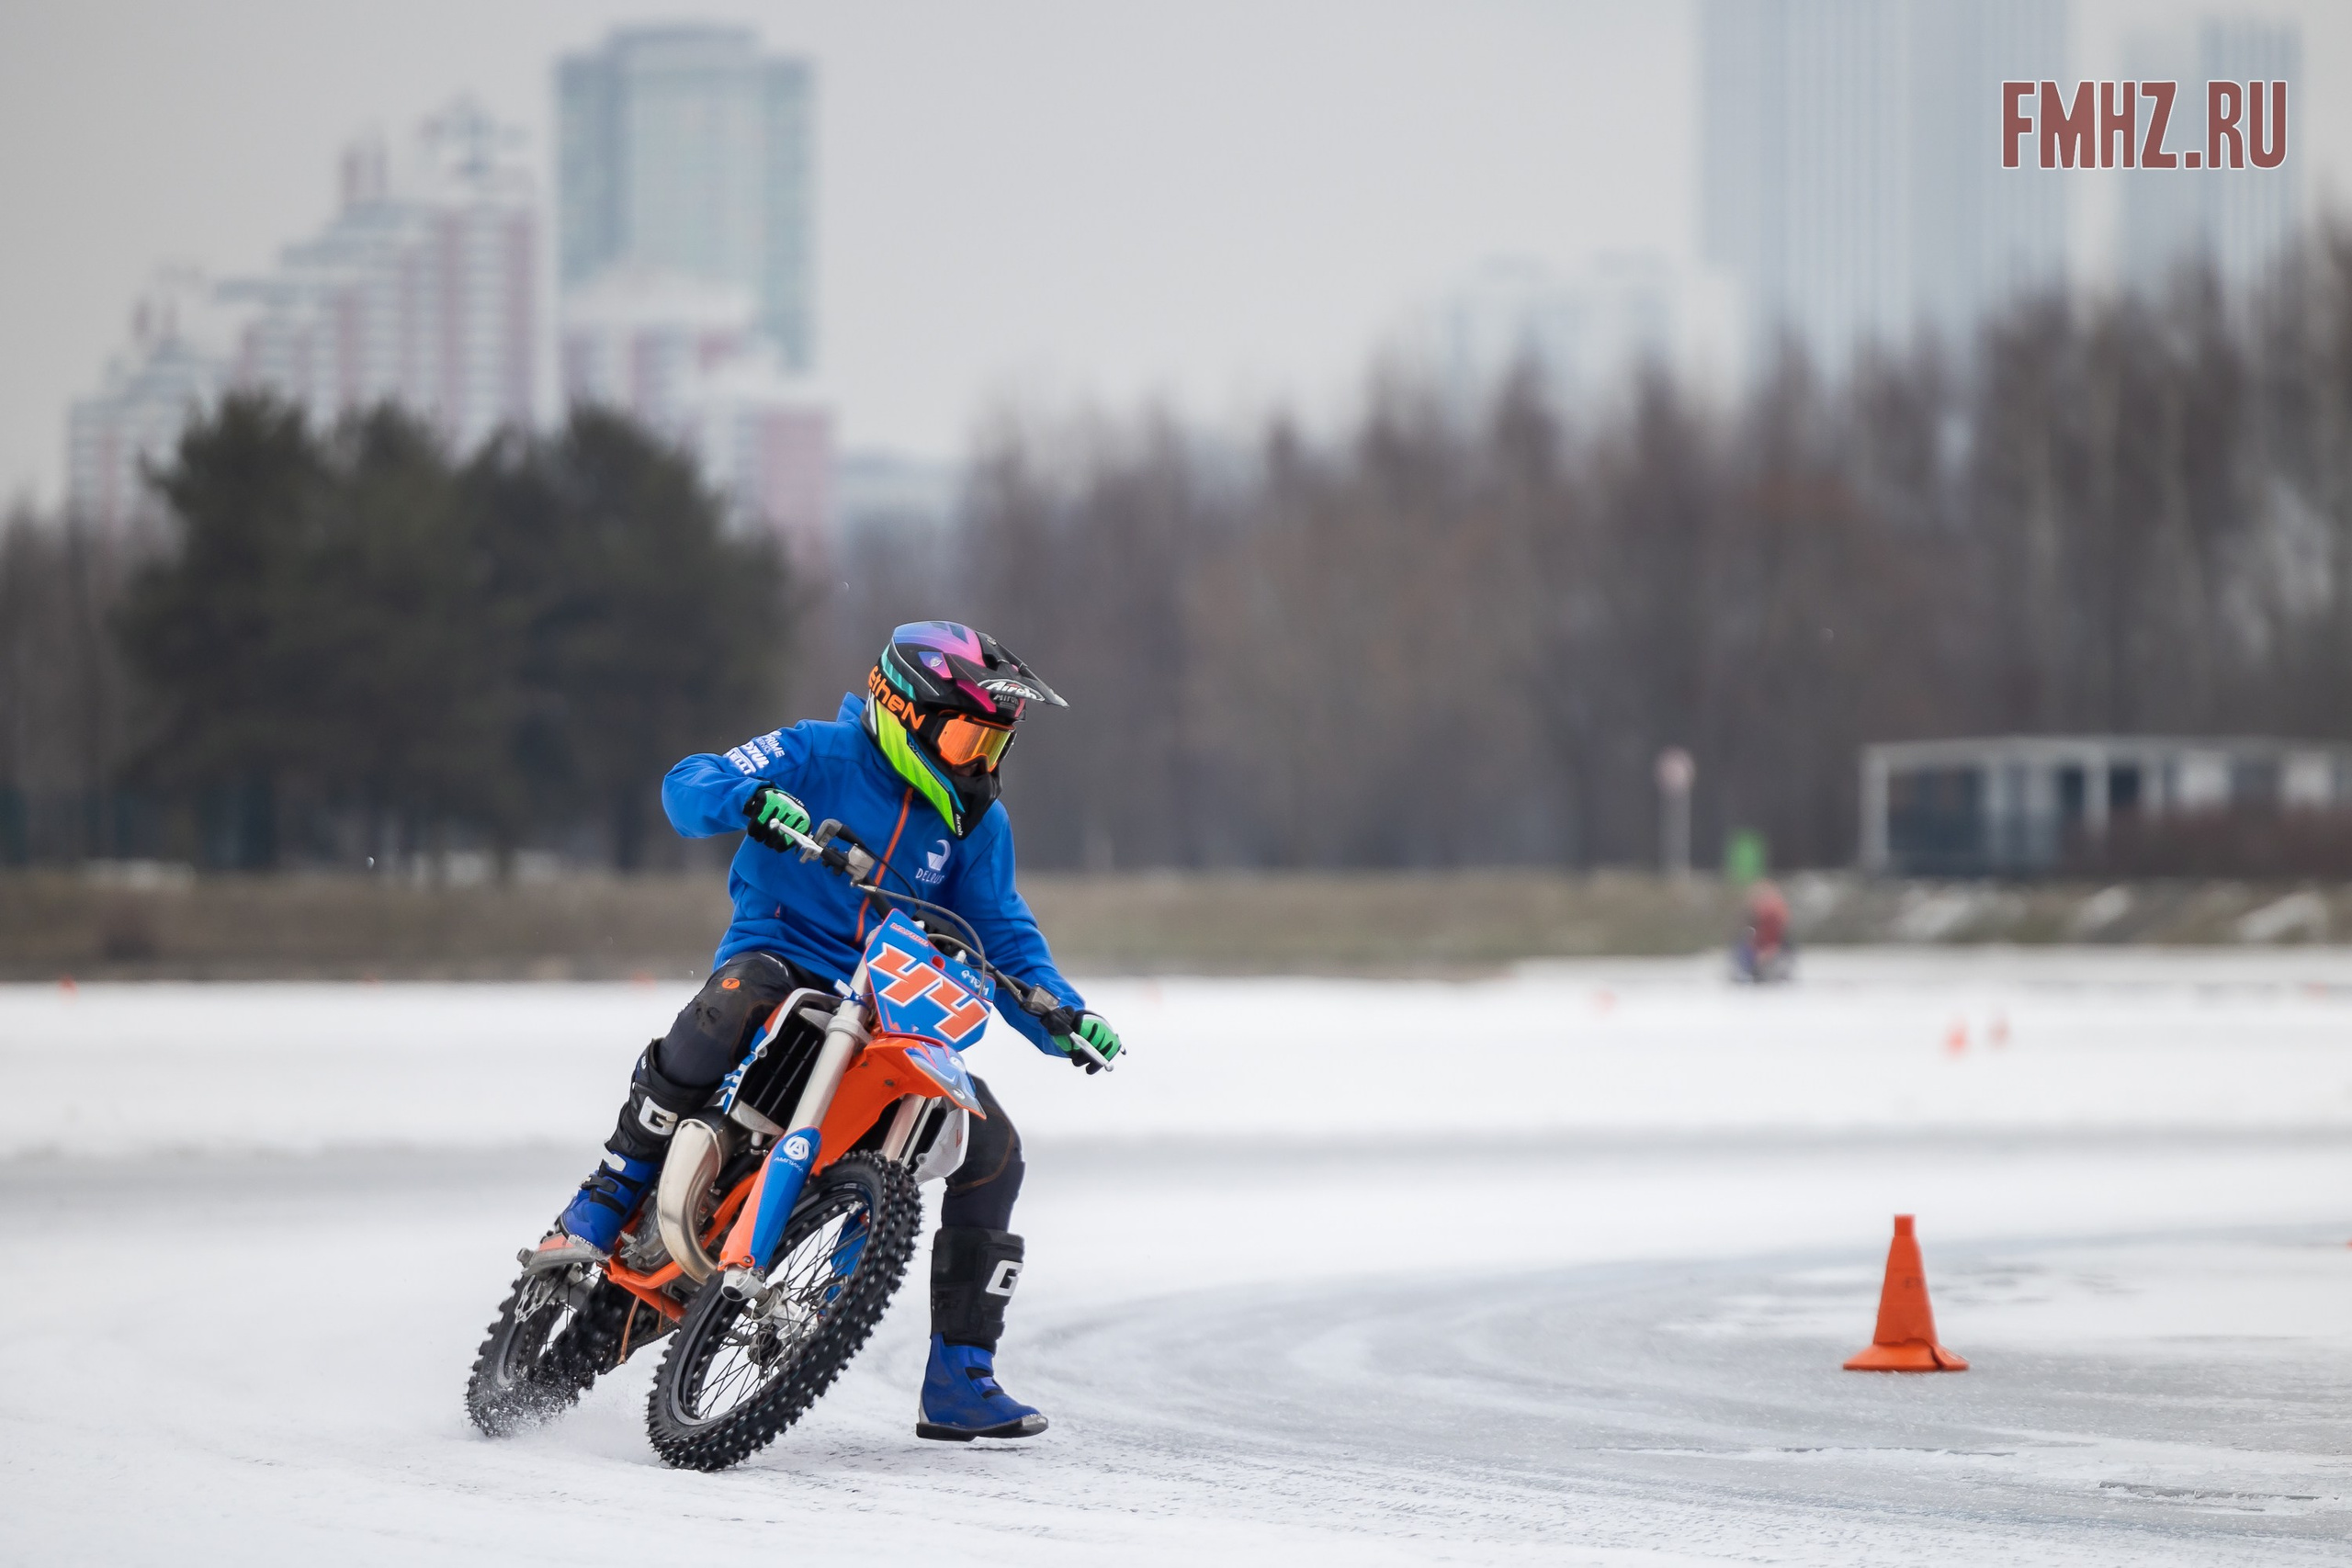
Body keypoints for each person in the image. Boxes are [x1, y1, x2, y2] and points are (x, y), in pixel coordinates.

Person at [529, 621, 1123, 1442]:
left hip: (891, 1002)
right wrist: (750, 802)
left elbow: (1006, 938)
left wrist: (1065, 1013)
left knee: (995, 1150)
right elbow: (688, 783)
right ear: (901, 709)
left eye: (993, 743)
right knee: (736, 998)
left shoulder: (977, 825)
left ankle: (960, 1374)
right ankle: (607, 1195)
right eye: (964, 734)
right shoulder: (816, 753)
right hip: (783, 956)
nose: (976, 760)